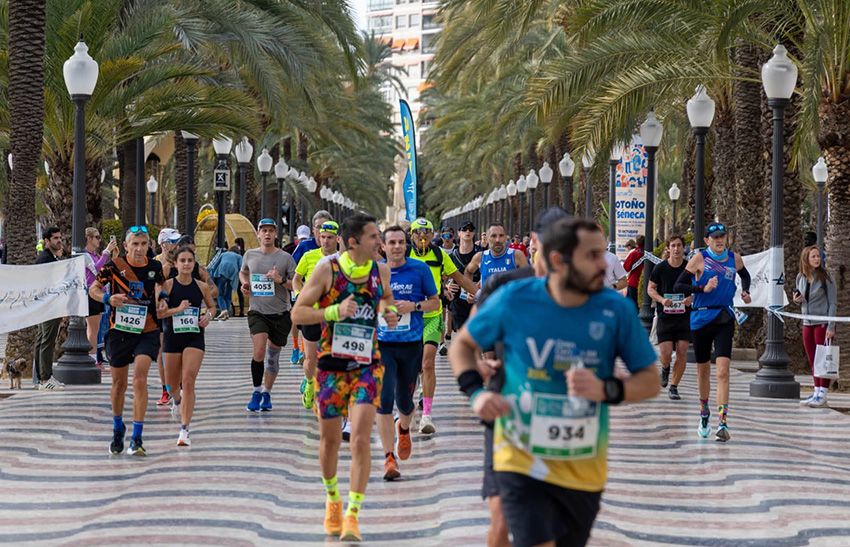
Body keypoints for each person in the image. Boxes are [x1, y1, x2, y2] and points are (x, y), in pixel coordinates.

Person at [451, 217, 660, 547]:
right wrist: (475, 393)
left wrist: (608, 389)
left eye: (602, 254)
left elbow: (650, 381)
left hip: (582, 463)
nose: (603, 265)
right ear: (560, 260)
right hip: (518, 453)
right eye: (591, 256)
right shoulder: (515, 298)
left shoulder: (616, 310)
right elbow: (462, 345)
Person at [291, 213, 399, 542]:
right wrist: (332, 312)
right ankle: (333, 499)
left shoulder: (381, 270)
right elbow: (298, 312)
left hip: (368, 364)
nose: (379, 243)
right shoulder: (328, 269)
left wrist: (389, 314)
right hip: (331, 366)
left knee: (362, 440)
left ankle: (353, 514)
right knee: (330, 442)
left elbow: (386, 302)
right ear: (353, 243)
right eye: (373, 237)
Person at [473, 206, 569, 547]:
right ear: (533, 243)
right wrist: (478, 369)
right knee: (500, 519)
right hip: (506, 413)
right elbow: (473, 328)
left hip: (555, 416)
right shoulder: (507, 284)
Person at [89, 225, 166, 455]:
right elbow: (93, 287)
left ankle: (138, 436)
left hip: (148, 329)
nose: (140, 249)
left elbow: (161, 284)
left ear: (149, 245)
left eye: (144, 244)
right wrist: (107, 298)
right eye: (135, 244)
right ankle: (117, 427)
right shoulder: (114, 266)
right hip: (120, 331)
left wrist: (162, 299)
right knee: (118, 384)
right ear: (125, 246)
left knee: (140, 378)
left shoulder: (155, 266)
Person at [674, 222, 751, 442]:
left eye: (722, 237)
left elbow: (745, 276)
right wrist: (702, 289)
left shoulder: (734, 258)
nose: (719, 241)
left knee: (723, 371)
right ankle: (704, 411)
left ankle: (723, 422)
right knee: (703, 371)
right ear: (707, 240)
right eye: (715, 237)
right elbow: (679, 286)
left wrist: (745, 291)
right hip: (700, 319)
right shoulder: (699, 259)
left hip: (724, 317)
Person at [377, 225, 439, 481]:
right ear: (383, 246)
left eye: (400, 242)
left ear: (406, 244)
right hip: (382, 344)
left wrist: (413, 306)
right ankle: (388, 458)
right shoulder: (374, 272)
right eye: (391, 242)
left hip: (411, 344)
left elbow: (435, 301)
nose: (396, 247)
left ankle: (403, 428)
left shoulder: (419, 269)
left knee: (405, 401)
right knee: (383, 400)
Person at [408, 217, 479, 434]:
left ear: (432, 235)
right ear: (411, 235)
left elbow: (459, 278)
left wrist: (482, 294)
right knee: (412, 367)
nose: (422, 236)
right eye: (418, 233)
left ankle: (427, 415)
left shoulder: (439, 255)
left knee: (428, 363)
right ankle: (409, 400)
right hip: (408, 318)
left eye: (426, 233)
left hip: (432, 315)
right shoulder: (402, 254)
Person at [158, 245, 216, 446]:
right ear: (175, 264)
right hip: (172, 338)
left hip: (194, 336)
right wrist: (178, 309)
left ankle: (184, 430)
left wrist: (208, 316)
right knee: (172, 385)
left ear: (194, 263)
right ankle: (177, 400)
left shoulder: (201, 286)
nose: (186, 264)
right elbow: (160, 313)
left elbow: (212, 307)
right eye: (182, 261)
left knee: (188, 380)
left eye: (189, 261)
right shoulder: (167, 285)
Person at [239, 218, 296, 412]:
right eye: (263, 230)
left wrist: (280, 280)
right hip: (257, 312)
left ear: (276, 234)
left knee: (272, 358)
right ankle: (256, 391)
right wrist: (244, 284)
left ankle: (267, 392)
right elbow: (243, 273)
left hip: (280, 313)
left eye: (271, 230)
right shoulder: (250, 255)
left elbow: (295, 285)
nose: (267, 234)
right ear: (258, 233)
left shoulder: (285, 258)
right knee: (259, 351)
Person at [293, 220, 341, 410]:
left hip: (333, 316)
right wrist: (299, 295)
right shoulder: (309, 256)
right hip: (311, 313)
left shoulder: (343, 260)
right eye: (322, 237)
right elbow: (297, 279)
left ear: (337, 239)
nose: (326, 241)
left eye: (330, 238)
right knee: (311, 359)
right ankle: (310, 383)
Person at [647, 235, 691, 400]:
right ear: (668, 248)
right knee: (665, 353)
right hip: (665, 316)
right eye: (673, 246)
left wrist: (691, 299)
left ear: (683, 248)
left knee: (682, 351)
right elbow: (650, 289)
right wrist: (662, 300)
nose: (676, 249)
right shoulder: (660, 268)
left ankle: (674, 386)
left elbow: (698, 287)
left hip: (684, 317)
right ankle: (665, 368)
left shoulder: (689, 268)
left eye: (679, 245)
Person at [795, 245, 836, 407]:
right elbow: (801, 298)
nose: (817, 259)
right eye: (813, 256)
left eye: (818, 256)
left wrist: (831, 326)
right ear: (806, 259)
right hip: (807, 322)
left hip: (822, 323)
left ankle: (823, 393)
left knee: (822, 359)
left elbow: (832, 303)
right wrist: (797, 300)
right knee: (812, 359)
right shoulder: (801, 277)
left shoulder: (826, 278)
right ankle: (816, 390)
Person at [291, 211, 333, 365]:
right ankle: (300, 352)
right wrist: (300, 294)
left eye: (326, 228)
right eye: (318, 228)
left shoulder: (342, 254)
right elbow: (294, 274)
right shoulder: (306, 248)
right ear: (313, 229)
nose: (322, 231)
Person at [34, 227, 65, 390]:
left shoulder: (49, 257)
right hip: (48, 306)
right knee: (47, 341)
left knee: (42, 340)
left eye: (60, 237)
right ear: (47, 241)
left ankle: (43, 377)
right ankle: (45, 379)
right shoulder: (45, 259)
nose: (59, 240)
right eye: (55, 238)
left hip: (47, 305)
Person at [84, 227, 118, 368]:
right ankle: (92, 360)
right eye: (97, 237)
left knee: (97, 329)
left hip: (99, 294)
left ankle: (95, 358)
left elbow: (106, 270)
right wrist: (107, 251)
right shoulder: (85, 255)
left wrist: (114, 257)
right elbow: (96, 269)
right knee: (92, 329)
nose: (99, 240)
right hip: (91, 294)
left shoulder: (95, 254)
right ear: (89, 238)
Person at [465, 223, 528, 288]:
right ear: (487, 238)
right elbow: (468, 271)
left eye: (501, 235)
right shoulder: (480, 257)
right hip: (487, 298)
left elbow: (529, 282)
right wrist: (471, 291)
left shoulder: (516, 255)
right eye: (493, 236)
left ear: (505, 237)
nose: (498, 240)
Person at [448, 220, 482, 333]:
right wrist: (447, 287)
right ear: (459, 233)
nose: (468, 231)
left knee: (476, 337)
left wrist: (479, 287)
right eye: (464, 229)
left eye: (471, 229)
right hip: (458, 301)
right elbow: (442, 277)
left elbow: (488, 274)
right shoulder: (452, 256)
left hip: (476, 299)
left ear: (473, 233)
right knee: (463, 336)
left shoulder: (481, 254)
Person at [212, 245, 242, 321]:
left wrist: (212, 276)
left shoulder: (224, 254)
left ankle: (223, 310)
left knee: (220, 293)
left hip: (222, 271)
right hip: (232, 273)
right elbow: (241, 267)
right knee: (228, 293)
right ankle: (227, 312)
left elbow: (215, 265)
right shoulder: (239, 256)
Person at [622, 234, 645, 307]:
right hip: (645, 282)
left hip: (634, 282)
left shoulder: (634, 253)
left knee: (632, 306)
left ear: (637, 243)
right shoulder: (649, 253)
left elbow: (626, 268)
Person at [234, 237, 247, 316]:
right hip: (243, 275)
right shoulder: (245, 252)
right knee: (241, 293)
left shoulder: (237, 252)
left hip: (238, 275)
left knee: (239, 292)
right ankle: (242, 310)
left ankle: (240, 310)